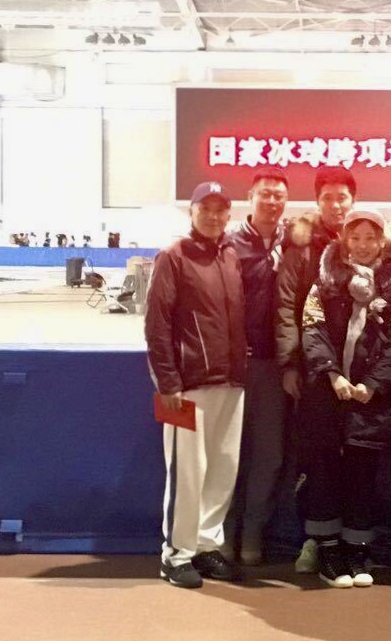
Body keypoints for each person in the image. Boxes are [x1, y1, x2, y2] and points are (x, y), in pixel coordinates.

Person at [299, 209, 391, 588]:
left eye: (371, 237)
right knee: (324, 474)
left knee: (363, 477)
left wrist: (373, 385)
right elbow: (311, 328)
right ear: (344, 240)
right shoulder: (325, 282)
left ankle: (356, 548)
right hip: (326, 395)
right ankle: (328, 549)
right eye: (356, 237)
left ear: (383, 241)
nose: (363, 245)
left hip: (370, 401)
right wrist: (332, 374)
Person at [145, 181, 248, 588]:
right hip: (185, 387)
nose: (214, 216)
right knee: (187, 473)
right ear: (191, 211)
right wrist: (168, 382)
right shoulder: (173, 256)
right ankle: (176, 554)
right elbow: (157, 324)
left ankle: (206, 545)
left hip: (231, 382)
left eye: (221, 209)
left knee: (222, 468)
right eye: (206, 208)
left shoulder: (231, 255)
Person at [275, 165, 357, 572]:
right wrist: (291, 363)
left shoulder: (367, 240)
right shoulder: (302, 247)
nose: (336, 205)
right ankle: (314, 539)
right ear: (317, 201)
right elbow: (287, 306)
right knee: (315, 458)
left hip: (358, 372)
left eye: (343, 197)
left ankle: (354, 542)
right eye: (328, 198)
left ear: (353, 200)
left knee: (356, 458)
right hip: (313, 370)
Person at [229, 166, 290, 565]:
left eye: (278, 195)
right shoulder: (228, 244)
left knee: (269, 455)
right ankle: (223, 533)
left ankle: (252, 533)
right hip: (231, 367)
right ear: (250, 198)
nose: (271, 201)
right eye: (264, 194)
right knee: (227, 454)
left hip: (274, 367)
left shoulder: (295, 241)